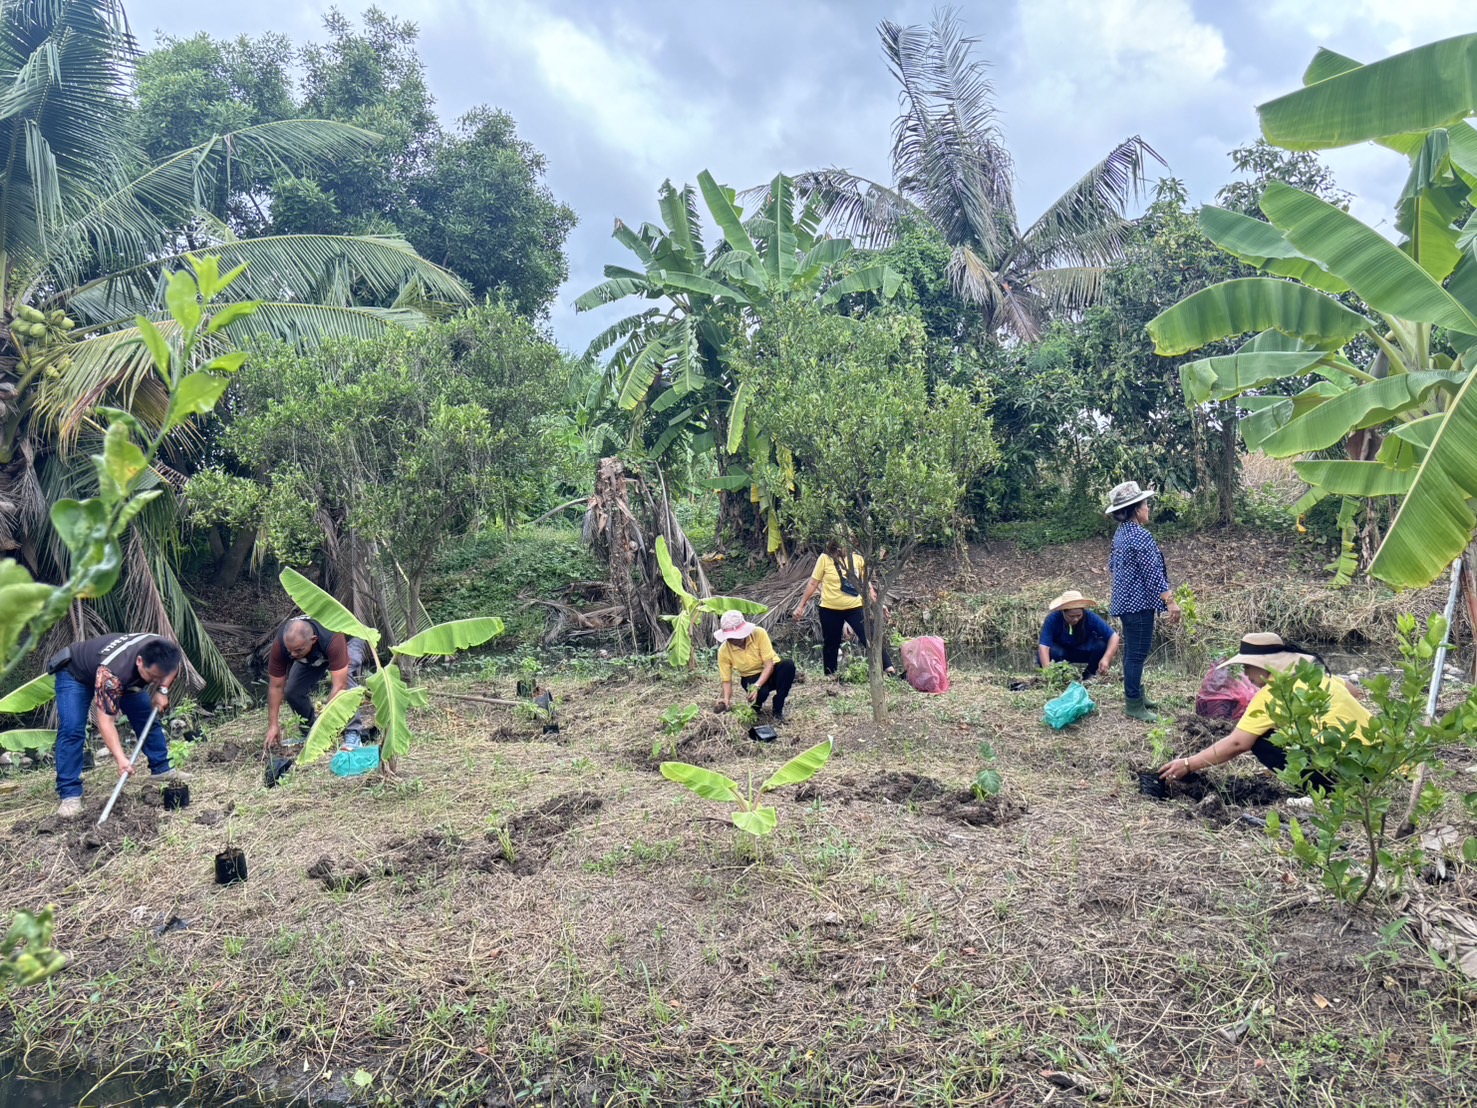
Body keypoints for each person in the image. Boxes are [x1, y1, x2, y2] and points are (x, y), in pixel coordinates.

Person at [1158, 632, 1370, 792]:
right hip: (1376, 765)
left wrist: (1188, 764)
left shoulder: (1271, 694)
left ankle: (1322, 789)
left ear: (1265, 667)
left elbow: (1237, 743)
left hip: (1344, 775)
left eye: (1248, 666)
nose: (1245, 673)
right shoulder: (1316, 677)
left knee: (1261, 741)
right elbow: (1355, 692)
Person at [51, 633, 186, 819]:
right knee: (72, 730)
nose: (153, 682)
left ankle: (161, 770)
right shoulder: (112, 674)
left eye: (158, 677)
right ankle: (70, 795)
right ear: (139, 661)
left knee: (147, 719)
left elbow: (172, 668)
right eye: (152, 677)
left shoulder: (165, 650)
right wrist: (121, 759)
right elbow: (105, 722)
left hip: (125, 678)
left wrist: (162, 690)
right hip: (76, 675)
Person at [1106, 480, 1180, 722]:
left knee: (1132, 653)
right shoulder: (1140, 535)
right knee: (1137, 654)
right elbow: (1152, 572)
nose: (1148, 508)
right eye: (1146, 504)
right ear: (1136, 509)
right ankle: (1134, 704)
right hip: (1138, 605)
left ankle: (1138, 695)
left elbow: (1112, 566)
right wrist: (1170, 600)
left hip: (1126, 603)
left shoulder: (1121, 534)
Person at [263, 617, 369, 750]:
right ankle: (310, 732)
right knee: (293, 691)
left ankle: (353, 733)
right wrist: (273, 725)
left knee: (345, 676)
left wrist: (324, 720)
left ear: (313, 639)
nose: (292, 654)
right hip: (315, 653)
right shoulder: (283, 644)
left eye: (298, 650)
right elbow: (276, 686)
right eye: (290, 650)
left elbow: (339, 685)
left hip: (349, 640)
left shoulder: (331, 636)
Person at [792, 541, 894, 677]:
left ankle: (889, 668)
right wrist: (801, 606)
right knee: (831, 643)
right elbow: (813, 582)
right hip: (829, 609)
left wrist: (878, 605)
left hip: (855, 607)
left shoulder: (857, 559)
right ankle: (830, 675)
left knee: (870, 637)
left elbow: (866, 584)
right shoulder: (824, 559)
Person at [714, 609, 796, 723]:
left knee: (788, 665)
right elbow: (727, 680)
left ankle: (778, 709)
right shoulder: (723, 651)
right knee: (762, 693)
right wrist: (726, 699)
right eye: (730, 638)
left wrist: (757, 685)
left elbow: (769, 665)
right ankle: (755, 708)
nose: (734, 640)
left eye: (736, 636)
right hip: (750, 677)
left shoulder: (759, 633)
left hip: (771, 671)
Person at [1038, 590, 1121, 681]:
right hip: (1061, 653)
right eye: (1071, 616)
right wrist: (1048, 672)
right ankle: (1061, 677)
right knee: (1052, 651)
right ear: (1063, 612)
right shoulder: (1053, 619)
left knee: (1102, 645)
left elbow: (1114, 637)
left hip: (1083, 650)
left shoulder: (1090, 617)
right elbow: (1044, 647)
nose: (1075, 619)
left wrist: (1106, 658)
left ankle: (1090, 674)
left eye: (1078, 615)